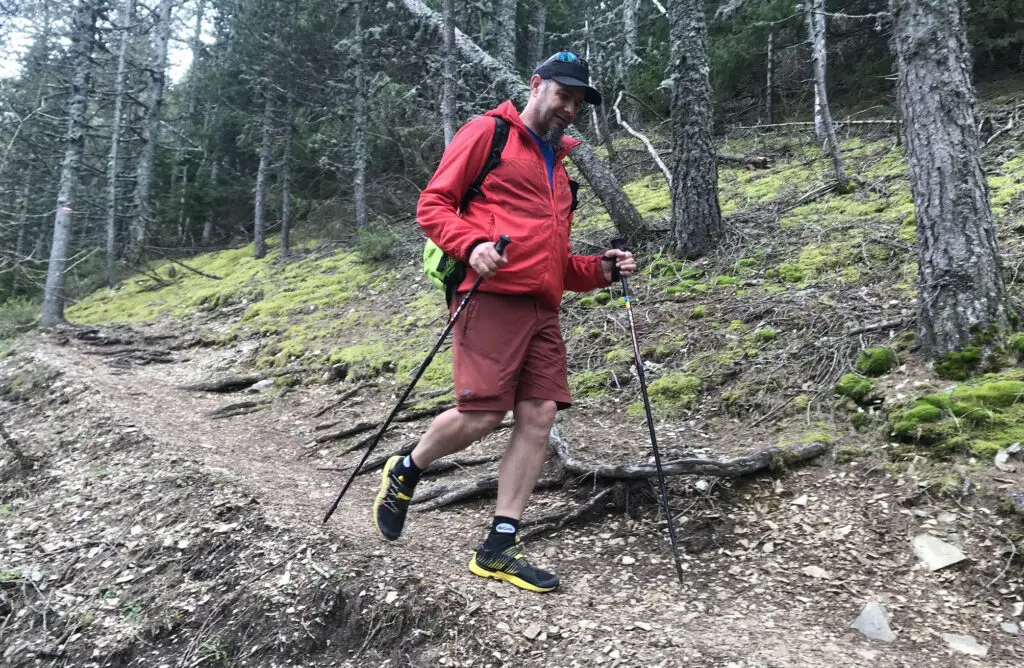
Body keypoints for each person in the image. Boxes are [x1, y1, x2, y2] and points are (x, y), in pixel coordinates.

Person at [373, 51, 636, 593]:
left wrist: (601, 270)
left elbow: (556, 263)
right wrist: (471, 246)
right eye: (563, 94)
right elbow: (433, 204)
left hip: (542, 307)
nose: (569, 108)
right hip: (487, 296)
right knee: (483, 414)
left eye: (579, 102)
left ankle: (499, 545)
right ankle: (406, 469)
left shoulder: (561, 169)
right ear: (535, 85)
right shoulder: (487, 133)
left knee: (539, 413)